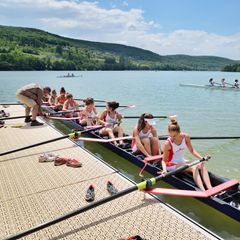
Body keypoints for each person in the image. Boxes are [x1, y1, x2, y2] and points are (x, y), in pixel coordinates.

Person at [161, 116, 212, 191]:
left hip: (181, 161)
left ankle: (210, 188)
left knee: (201, 164)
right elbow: (163, 160)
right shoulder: (167, 143)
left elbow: (192, 150)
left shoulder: (186, 137)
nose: (172, 138)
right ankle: (203, 191)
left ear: (179, 132)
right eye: (170, 135)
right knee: (194, 168)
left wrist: (201, 158)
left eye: (174, 136)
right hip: (171, 164)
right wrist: (164, 170)